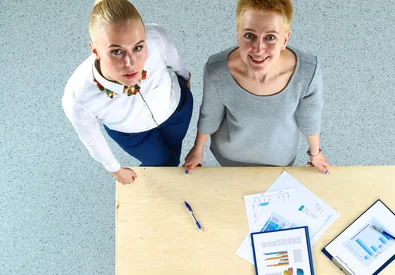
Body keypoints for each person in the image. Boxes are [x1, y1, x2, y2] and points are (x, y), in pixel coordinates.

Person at [184, 0, 330, 174]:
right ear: (238, 35)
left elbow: (310, 117)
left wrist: (315, 153)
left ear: (285, 39)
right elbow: (210, 114)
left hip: (280, 157)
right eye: (249, 35)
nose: (259, 49)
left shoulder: (308, 71)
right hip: (230, 155)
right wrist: (197, 149)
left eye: (270, 37)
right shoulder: (216, 69)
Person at [62, 0, 193, 185]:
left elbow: (175, 60)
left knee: (173, 147)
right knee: (162, 161)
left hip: (176, 109)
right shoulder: (78, 96)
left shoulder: (156, 38)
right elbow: (92, 139)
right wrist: (115, 169)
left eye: (138, 48)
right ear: (95, 50)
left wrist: (185, 78)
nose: (130, 63)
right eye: (116, 51)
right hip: (133, 133)